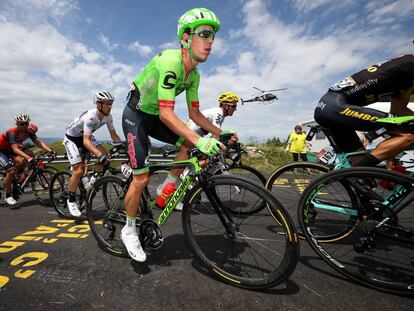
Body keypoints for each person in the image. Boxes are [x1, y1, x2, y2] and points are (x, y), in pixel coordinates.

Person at [121, 8, 227, 262]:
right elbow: (169, 115)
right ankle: (128, 229)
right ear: (186, 39)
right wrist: (200, 138)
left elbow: (196, 114)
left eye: (212, 36)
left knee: (187, 148)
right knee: (141, 178)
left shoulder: (195, 74)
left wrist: (219, 132)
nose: (210, 42)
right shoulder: (171, 62)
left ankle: (166, 188)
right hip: (135, 116)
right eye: (204, 34)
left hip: (156, 117)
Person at [314, 54, 414, 167]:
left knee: (359, 162)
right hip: (334, 106)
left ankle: (351, 177)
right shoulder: (410, 64)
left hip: (331, 108)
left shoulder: (405, 81)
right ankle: (360, 170)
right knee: (408, 136)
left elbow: (398, 110)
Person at [157, 91, 240, 211]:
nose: (235, 109)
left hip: (193, 136)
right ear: (225, 106)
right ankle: (181, 181)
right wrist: (225, 144)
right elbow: (217, 134)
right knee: (198, 161)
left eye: (236, 105)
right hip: (190, 135)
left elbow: (215, 135)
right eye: (233, 106)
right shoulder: (218, 112)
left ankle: (186, 177)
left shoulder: (220, 115)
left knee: (205, 159)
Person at [64, 91, 122, 217]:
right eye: (107, 104)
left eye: (111, 104)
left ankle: (92, 182)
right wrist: (98, 155)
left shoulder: (108, 116)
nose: (109, 106)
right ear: (99, 104)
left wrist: (124, 146)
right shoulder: (91, 116)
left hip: (86, 136)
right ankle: (71, 199)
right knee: (78, 170)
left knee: (105, 155)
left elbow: (113, 135)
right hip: (72, 139)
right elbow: (86, 142)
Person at [0, 114, 55, 207]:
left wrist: (50, 150)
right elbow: (15, 149)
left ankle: (17, 178)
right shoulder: (11, 132)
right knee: (11, 170)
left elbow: (39, 143)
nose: (24, 126)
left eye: (26, 124)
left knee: (29, 153)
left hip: (11, 150)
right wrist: (28, 158)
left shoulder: (29, 132)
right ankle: (8, 196)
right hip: (2, 151)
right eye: (21, 124)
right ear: (17, 124)